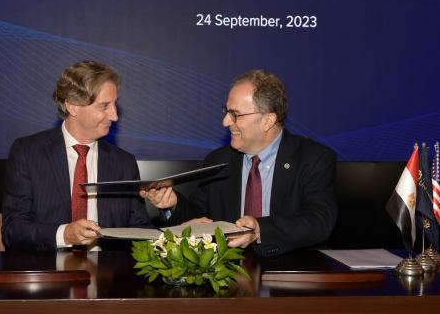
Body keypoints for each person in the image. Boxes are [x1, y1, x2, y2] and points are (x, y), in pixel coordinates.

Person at [142, 69, 338, 256]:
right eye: (226, 111)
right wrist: (173, 205)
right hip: (226, 273)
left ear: (267, 121)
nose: (225, 122)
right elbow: (202, 218)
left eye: (235, 114)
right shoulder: (219, 160)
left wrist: (260, 230)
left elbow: (319, 221)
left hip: (290, 272)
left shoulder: (312, 158)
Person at [2, 60, 150, 250]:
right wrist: (64, 234)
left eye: (114, 105)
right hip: (48, 273)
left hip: (109, 275)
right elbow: (13, 229)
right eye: (104, 106)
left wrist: (174, 229)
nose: (114, 116)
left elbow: (140, 233)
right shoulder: (28, 153)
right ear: (72, 107)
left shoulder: (124, 163)